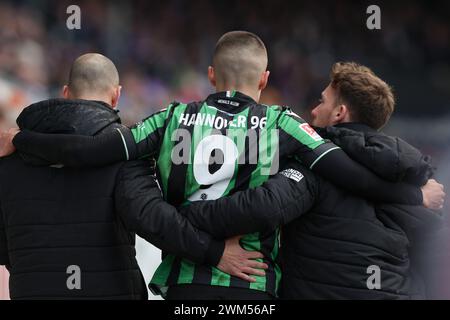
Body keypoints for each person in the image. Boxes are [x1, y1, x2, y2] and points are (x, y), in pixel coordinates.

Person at [0, 32, 443, 300]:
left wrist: (21, 139)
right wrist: (411, 194)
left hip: (184, 286)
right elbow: (348, 171)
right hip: (252, 290)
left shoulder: (168, 118)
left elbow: (88, 151)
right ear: (265, 80)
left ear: (211, 75)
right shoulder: (284, 124)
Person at [0, 53, 264, 300]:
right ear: (116, 96)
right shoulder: (125, 156)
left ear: (66, 93)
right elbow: (153, 219)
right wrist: (214, 253)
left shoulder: (11, 155)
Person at [180, 62, 446, 299]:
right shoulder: (412, 180)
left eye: (321, 101)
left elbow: (262, 208)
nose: (313, 110)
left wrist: (188, 213)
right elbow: (435, 257)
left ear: (340, 113)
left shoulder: (312, 165)